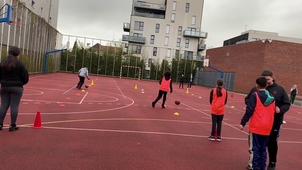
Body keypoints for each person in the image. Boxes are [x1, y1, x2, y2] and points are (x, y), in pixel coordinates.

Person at [244, 70, 290, 170]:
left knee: (272, 143)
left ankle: (272, 163)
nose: (267, 81)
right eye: (265, 79)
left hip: (275, 122)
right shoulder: (256, 89)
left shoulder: (280, 89)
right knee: (256, 144)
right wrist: (252, 105)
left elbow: (287, 103)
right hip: (259, 122)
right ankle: (254, 163)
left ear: (272, 78)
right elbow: (247, 100)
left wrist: (280, 110)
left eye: (268, 79)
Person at [240, 77, 276, 170]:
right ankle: (262, 167)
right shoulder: (272, 98)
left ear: (257, 86)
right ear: (266, 85)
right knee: (263, 149)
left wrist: (243, 122)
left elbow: (249, 110)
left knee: (254, 149)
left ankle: (254, 166)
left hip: (256, 126)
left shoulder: (254, 95)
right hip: (267, 126)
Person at [0, 46, 28, 131]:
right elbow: (25, 78)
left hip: (4, 87)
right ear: (18, 54)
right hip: (17, 87)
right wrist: (20, 83)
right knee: (14, 106)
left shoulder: (2, 63)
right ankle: (12, 125)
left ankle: (0, 124)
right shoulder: (20, 64)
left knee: (3, 105)